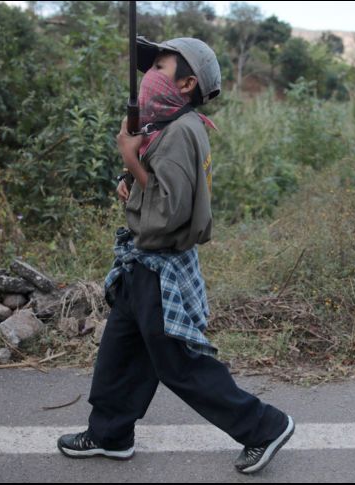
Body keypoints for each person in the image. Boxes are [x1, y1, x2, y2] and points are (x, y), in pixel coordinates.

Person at [57, 37, 294, 475]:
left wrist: (132, 161)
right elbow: (158, 189)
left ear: (186, 84)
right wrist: (132, 177)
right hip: (141, 261)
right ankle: (110, 434)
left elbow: (169, 211)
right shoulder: (166, 126)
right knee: (121, 349)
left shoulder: (183, 130)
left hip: (160, 265)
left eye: (161, 67)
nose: (149, 76)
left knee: (179, 365)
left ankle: (264, 426)